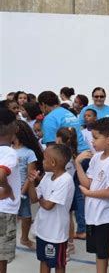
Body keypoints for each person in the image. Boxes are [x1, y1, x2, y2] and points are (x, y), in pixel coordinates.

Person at [74, 118, 109, 273]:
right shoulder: (95, 157)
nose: (92, 141)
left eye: (95, 137)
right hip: (93, 217)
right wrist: (77, 164)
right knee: (100, 255)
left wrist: (89, 194)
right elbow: (88, 183)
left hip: (107, 217)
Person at [27, 144, 75, 273]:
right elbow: (33, 199)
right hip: (43, 230)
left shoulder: (65, 180)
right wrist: (31, 182)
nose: (42, 162)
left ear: (53, 162)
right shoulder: (47, 177)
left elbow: (48, 205)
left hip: (57, 234)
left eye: (44, 159)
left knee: (59, 264)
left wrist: (40, 197)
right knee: (44, 260)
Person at [13, 120, 44, 250]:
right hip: (7, 189)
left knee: (26, 216)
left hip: (21, 189)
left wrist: (22, 192)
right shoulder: (6, 149)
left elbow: (30, 174)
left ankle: (24, 238)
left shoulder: (29, 153)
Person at [0, 109, 20, 273]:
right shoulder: (9, 153)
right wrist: (7, 189)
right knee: (2, 256)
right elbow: (1, 175)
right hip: (5, 210)